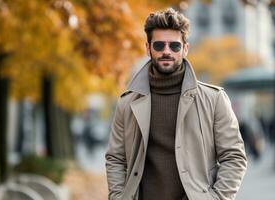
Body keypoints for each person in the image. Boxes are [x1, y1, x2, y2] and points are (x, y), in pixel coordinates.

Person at [105, 8, 247, 200]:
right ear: (148, 48)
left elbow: (234, 157)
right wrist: (118, 197)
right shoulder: (127, 103)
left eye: (174, 46)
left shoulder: (214, 99)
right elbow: (116, 158)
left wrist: (216, 198)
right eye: (159, 45)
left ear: (185, 49)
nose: (166, 51)